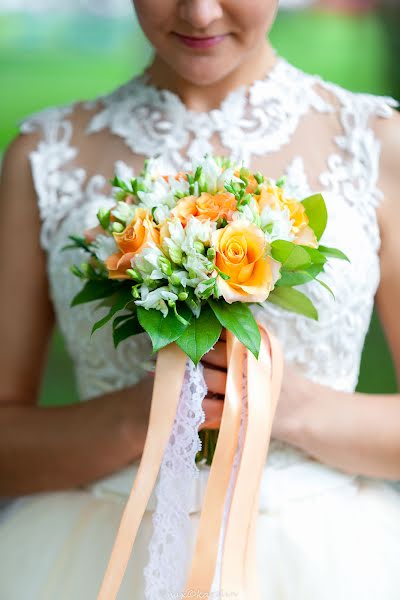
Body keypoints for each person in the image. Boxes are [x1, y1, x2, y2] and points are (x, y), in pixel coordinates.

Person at [0, 1, 400, 598]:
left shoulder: (375, 143)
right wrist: (139, 418)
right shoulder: (46, 155)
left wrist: (285, 407)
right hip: (94, 553)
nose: (201, 13)